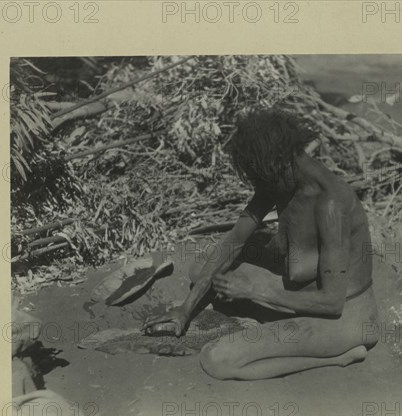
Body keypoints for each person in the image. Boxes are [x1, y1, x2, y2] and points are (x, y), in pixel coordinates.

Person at [144, 108, 379, 380]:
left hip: (345, 319)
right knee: (202, 272)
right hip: (302, 291)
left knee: (217, 359)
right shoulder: (283, 180)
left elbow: (332, 303)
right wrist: (185, 309)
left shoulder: (330, 205)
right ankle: (279, 323)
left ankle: (340, 357)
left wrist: (255, 291)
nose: (259, 186)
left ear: (277, 163)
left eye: (259, 177)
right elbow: (234, 240)